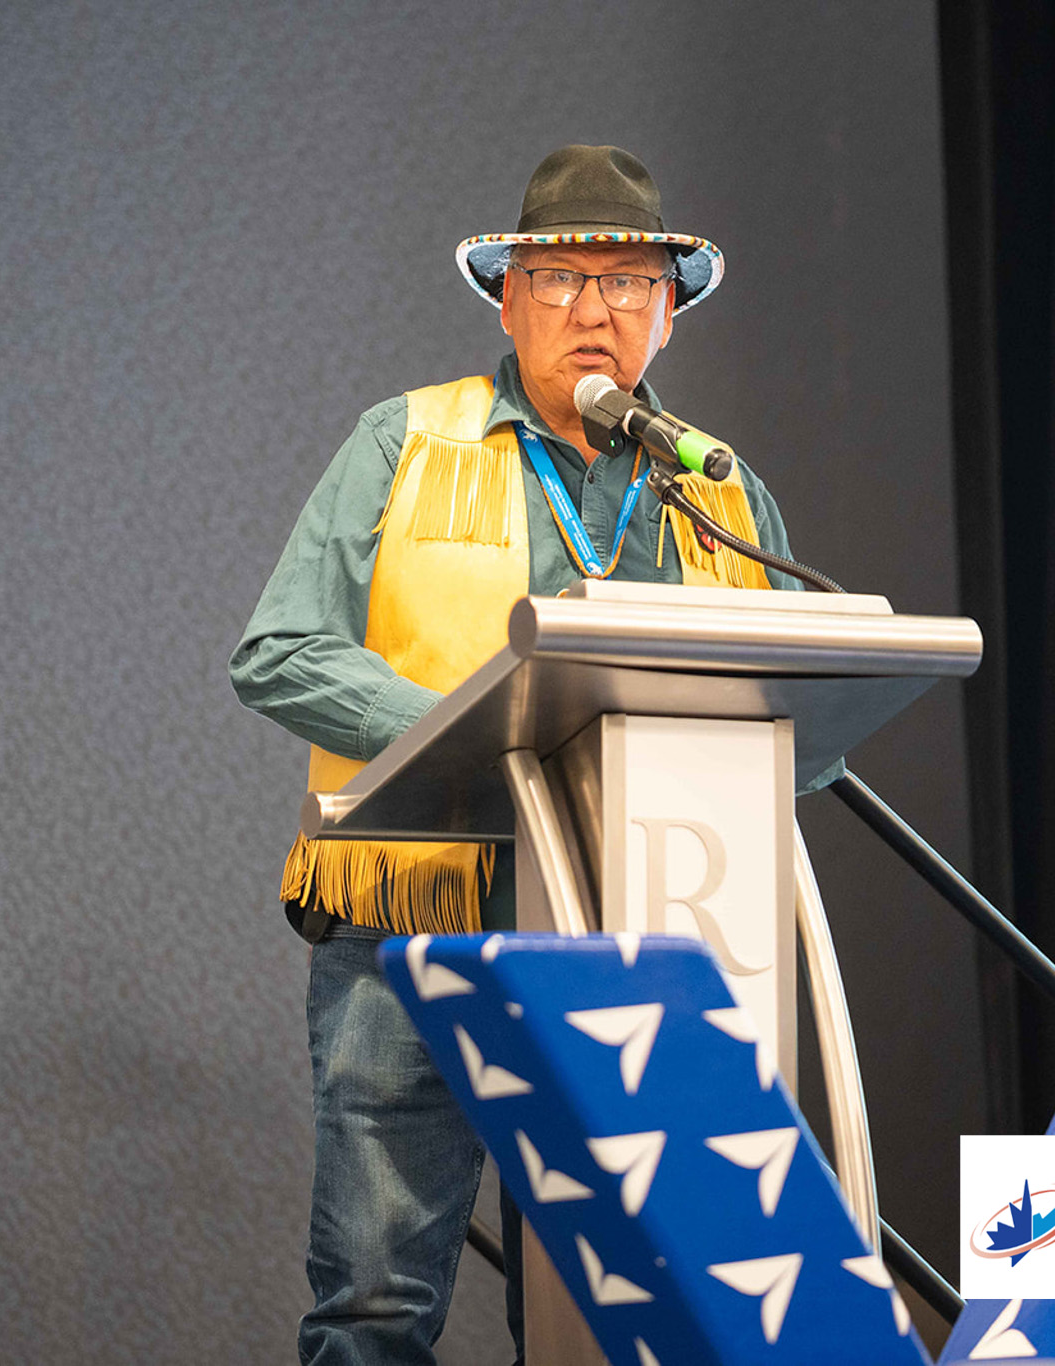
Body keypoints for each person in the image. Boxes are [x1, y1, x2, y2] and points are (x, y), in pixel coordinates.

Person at [230, 144, 809, 1366]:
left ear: (668, 313)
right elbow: (278, 651)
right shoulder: (402, 440)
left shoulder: (715, 486)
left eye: (629, 282)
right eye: (559, 277)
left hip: (633, 939)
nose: (595, 308)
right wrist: (472, 735)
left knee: (599, 1315)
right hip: (411, 924)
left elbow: (798, 716)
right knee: (375, 1308)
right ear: (507, 299)